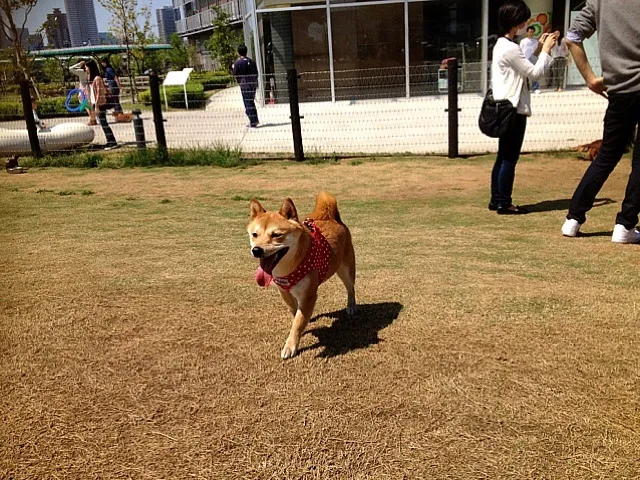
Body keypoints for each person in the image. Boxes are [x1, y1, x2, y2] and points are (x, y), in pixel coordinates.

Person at [560, 0, 640, 243]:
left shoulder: (599, 2)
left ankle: (573, 219)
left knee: (607, 155)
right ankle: (625, 225)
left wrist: (590, 78)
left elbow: (572, 37)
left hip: (619, 91)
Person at [489, 1, 558, 215]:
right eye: (524, 20)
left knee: (503, 155)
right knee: (510, 157)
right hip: (514, 110)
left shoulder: (503, 45)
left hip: (503, 107)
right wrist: (547, 50)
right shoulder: (510, 48)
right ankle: (504, 202)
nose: (526, 23)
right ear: (516, 22)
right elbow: (535, 74)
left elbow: (526, 66)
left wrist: (538, 49)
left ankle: (497, 198)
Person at [85, 60, 119, 150]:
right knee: (102, 123)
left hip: (100, 104)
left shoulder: (97, 79)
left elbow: (100, 93)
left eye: (86, 67)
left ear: (91, 67)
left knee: (104, 123)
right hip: (94, 103)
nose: (85, 69)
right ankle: (110, 141)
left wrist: (96, 106)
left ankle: (112, 142)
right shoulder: (91, 79)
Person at [232, 45, 259, 128]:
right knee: (251, 101)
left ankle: (253, 120)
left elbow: (235, 73)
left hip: (244, 84)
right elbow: (256, 73)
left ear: (238, 52)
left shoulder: (238, 62)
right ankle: (254, 119)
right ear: (246, 51)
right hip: (252, 83)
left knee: (247, 102)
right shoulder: (251, 61)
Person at [69, 59, 96, 125]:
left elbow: (70, 68)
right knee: (90, 105)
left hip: (83, 90)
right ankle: (93, 119)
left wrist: (78, 64)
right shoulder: (90, 71)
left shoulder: (81, 71)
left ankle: (91, 119)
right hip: (89, 89)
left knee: (85, 105)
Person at [519, 26, 542, 93]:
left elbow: (538, 50)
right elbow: (520, 50)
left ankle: (535, 88)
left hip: (534, 58)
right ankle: (525, 88)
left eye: (532, 32)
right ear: (527, 32)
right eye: (529, 32)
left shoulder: (535, 41)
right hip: (525, 59)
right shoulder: (523, 41)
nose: (531, 33)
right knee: (524, 74)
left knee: (535, 73)